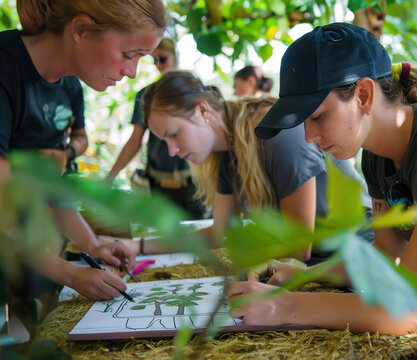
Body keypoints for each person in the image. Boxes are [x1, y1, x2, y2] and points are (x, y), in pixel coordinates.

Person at [227, 23, 417, 358]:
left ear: (363, 94)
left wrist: (281, 307)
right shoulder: (377, 153)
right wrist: (304, 275)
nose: (308, 137)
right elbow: (388, 255)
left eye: (317, 116)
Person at [0, 0, 167, 302]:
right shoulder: (6, 68)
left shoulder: (65, 84)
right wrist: (71, 274)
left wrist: (93, 244)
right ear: (80, 30)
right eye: (129, 55)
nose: (131, 72)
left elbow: (50, 189)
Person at [141, 70, 372, 261]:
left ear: (203, 110)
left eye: (174, 134)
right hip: (316, 259)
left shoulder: (276, 135)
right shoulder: (228, 150)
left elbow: (298, 248)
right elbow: (221, 232)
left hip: (357, 255)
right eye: (165, 141)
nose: (172, 151)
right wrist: (138, 246)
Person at [107, 38, 207, 219]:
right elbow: (135, 140)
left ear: (175, 56)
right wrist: (111, 175)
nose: (158, 65)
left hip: (194, 184)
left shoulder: (193, 90)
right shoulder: (146, 96)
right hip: (159, 186)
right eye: (154, 60)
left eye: (163, 58)